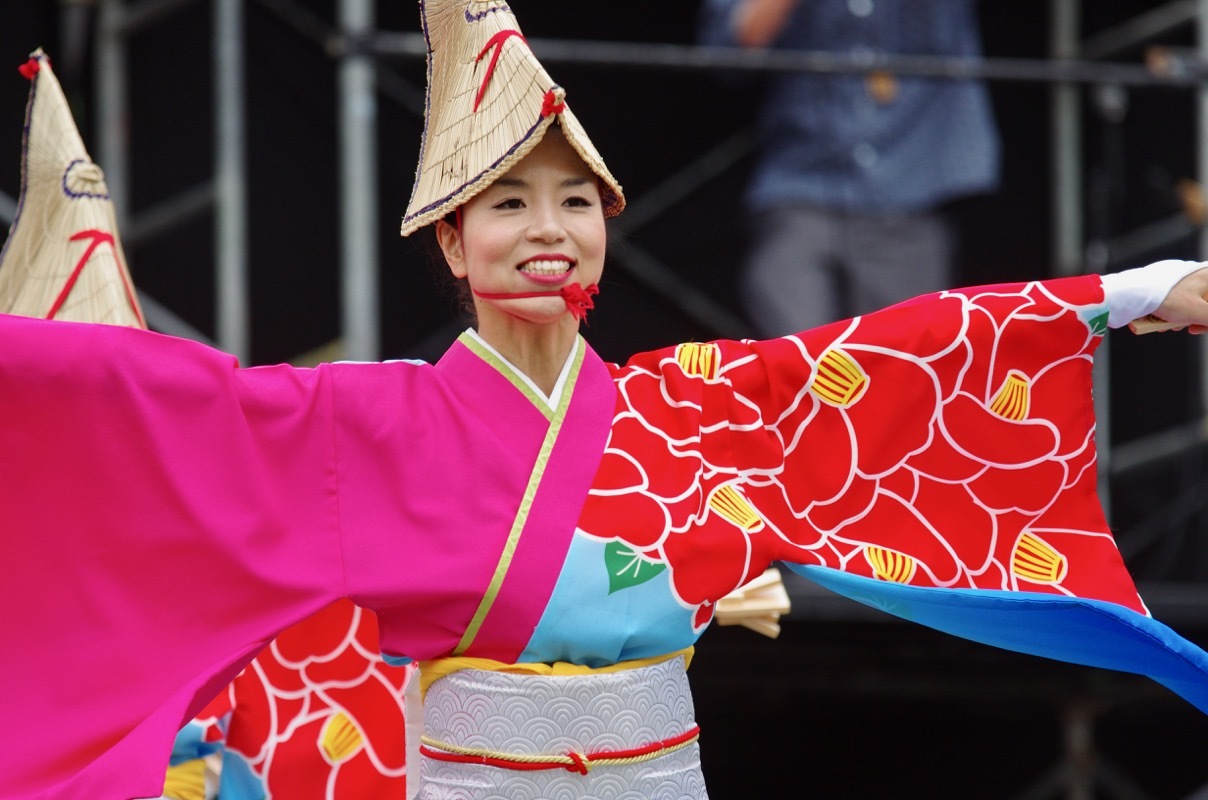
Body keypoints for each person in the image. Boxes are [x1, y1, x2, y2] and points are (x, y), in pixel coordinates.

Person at [3, 2, 1208, 799]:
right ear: (449, 244)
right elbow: (161, 397)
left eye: (572, 203)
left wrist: (1138, 290)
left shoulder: (687, 405)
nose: (546, 232)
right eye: (510, 204)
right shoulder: (364, 421)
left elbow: (891, 350)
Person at [696, 0, 1001, 336]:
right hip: (802, 182)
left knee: (903, 368)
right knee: (796, 360)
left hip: (912, 185)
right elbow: (728, 52)